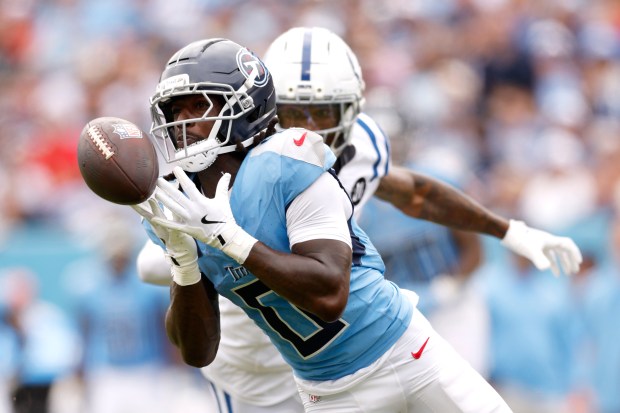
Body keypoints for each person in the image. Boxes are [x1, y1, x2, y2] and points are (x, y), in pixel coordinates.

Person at [129, 33, 582, 413]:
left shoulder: (298, 160)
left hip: (382, 341)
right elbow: (189, 328)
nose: (310, 128)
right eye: (295, 112)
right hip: (263, 363)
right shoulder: (186, 200)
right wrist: (182, 260)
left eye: (323, 113)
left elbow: (416, 195)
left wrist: (510, 231)